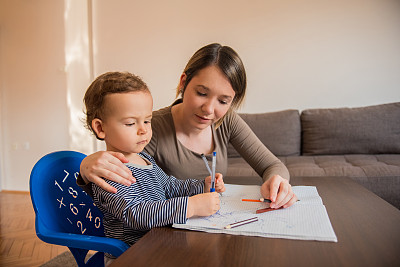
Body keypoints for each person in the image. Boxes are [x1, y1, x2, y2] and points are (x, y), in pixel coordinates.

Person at [79, 43, 297, 209]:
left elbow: (273, 166)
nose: (209, 110)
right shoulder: (150, 127)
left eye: (223, 101)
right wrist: (85, 167)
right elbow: (120, 180)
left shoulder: (227, 121)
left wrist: (277, 182)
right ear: (183, 82)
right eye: (201, 93)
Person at [83, 71, 225, 262]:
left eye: (147, 120)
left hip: (159, 244)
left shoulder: (144, 158)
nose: (143, 129)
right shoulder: (109, 173)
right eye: (131, 123)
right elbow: (137, 214)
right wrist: (190, 206)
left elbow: (169, 186)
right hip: (131, 256)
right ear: (100, 128)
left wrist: (202, 186)